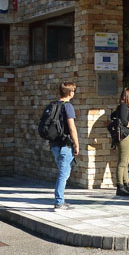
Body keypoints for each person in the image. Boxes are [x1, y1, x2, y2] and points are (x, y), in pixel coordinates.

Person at [49, 81, 80, 211]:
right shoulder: (68, 107)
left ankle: (60, 200)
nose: (74, 92)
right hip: (65, 145)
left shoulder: (53, 105)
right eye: (73, 90)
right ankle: (59, 202)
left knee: (64, 172)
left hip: (54, 144)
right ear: (69, 92)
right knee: (63, 174)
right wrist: (77, 144)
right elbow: (72, 128)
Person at [112, 88, 129, 197]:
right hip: (125, 136)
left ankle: (126, 183)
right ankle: (120, 186)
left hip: (126, 136)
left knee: (125, 161)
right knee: (123, 162)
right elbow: (125, 122)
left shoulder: (123, 106)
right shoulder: (124, 106)